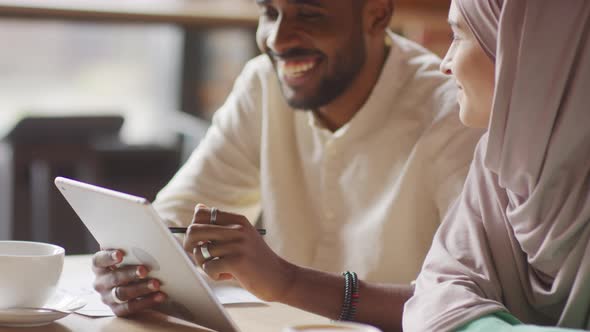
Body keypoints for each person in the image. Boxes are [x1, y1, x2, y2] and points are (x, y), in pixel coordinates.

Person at [91, 0, 482, 330]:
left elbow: (470, 303)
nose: (277, 39)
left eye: (309, 14)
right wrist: (133, 269)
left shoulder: (454, 112)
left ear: (376, 15)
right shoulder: (263, 84)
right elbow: (171, 219)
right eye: (269, 12)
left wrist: (286, 282)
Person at [403, 0, 590, 331]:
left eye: (459, 35)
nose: (444, 64)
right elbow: (435, 294)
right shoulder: (502, 164)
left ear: (526, 49)